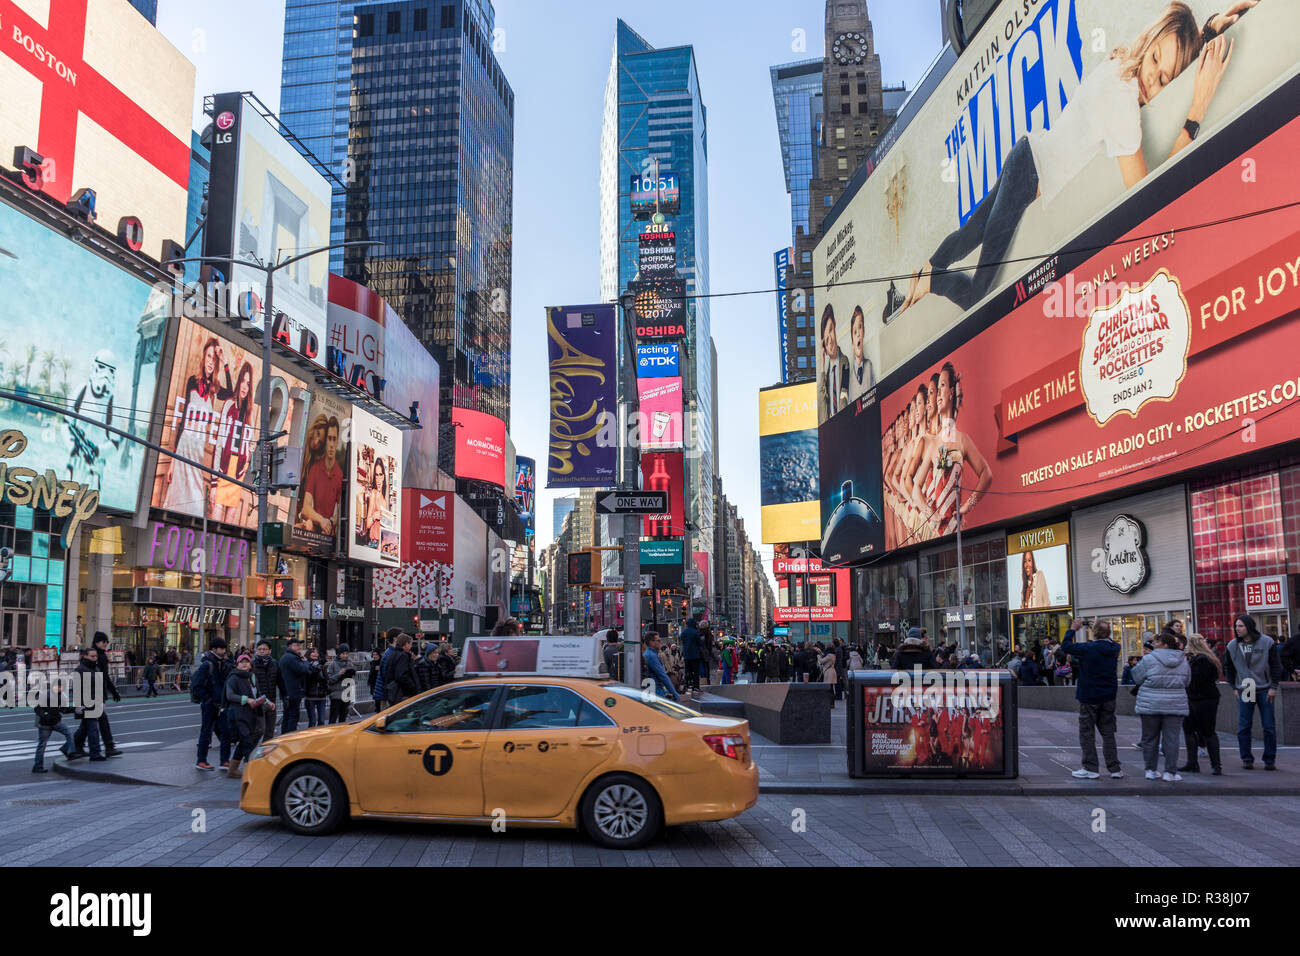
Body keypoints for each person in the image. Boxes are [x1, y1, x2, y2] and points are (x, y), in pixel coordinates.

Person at [897, 2, 1245, 317]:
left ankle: (926, 270)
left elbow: (1168, 55)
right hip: (1029, 173)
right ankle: (932, 282)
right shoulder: (1123, 101)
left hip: (1026, 156)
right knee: (976, 293)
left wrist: (1211, 28)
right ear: (1149, 39)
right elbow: (1145, 197)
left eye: (1163, 79)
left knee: (973, 230)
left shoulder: (1120, 66)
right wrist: (1196, 110)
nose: (1151, 79)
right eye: (1155, 60)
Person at [1057, 619, 1123, 779]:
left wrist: (1073, 629)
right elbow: (1110, 640)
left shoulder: (1088, 648)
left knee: (1087, 732)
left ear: (1094, 633)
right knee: (1108, 732)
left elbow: (1065, 646)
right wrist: (1099, 628)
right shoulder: (1115, 648)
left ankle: (1091, 768)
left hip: (1089, 695)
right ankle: (1115, 769)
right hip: (1108, 695)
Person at [1224, 613, 1285, 770]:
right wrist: (1234, 687)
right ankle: (1247, 758)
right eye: (1236, 626)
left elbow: (1275, 665)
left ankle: (1269, 760)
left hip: (1264, 688)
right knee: (1244, 726)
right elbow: (1228, 668)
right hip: (1245, 688)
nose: (1237, 629)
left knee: (1269, 726)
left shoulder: (1267, 642)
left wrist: (1274, 687)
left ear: (1249, 627)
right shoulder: (1232, 645)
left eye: (1240, 626)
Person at [1132, 632, 1192, 781]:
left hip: (1150, 702)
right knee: (1172, 738)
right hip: (1175, 703)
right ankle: (1170, 772)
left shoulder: (1149, 659)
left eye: (1157, 642)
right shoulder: (1183, 660)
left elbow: (1137, 677)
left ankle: (1150, 770)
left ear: (1165, 644)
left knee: (1149, 738)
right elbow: (1187, 681)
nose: (1154, 644)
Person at [214, 360, 256, 524]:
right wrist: (213, 480)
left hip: (238, 472)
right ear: (239, 382)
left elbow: (250, 443)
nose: (245, 387)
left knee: (228, 525)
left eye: (248, 383)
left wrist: (248, 460)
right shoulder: (229, 404)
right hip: (223, 468)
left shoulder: (249, 413)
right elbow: (219, 442)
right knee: (215, 520)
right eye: (243, 381)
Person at [1179, 633, 1224, 774]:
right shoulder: (1209, 658)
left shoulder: (1200, 660)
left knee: (1199, 731)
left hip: (1199, 699)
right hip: (1205, 698)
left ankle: (1205, 764)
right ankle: (1212, 765)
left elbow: (1195, 679)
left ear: (1192, 645)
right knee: (1204, 731)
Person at [224, 653, 272, 779]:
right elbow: (230, 695)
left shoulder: (252, 677)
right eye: (242, 662)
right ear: (237, 664)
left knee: (246, 740)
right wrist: (246, 699)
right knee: (246, 740)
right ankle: (253, 768)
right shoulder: (233, 678)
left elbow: (258, 694)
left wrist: (267, 702)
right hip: (238, 714)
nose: (245, 664)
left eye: (247, 662)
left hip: (250, 714)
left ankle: (233, 770)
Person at [74, 632, 121, 757]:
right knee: (99, 721)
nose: (105, 644)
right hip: (94, 695)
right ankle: (108, 746)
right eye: (103, 641)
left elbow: (104, 676)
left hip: (96, 693)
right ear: (96, 642)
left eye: (106, 642)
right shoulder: (96, 657)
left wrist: (112, 690)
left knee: (87, 723)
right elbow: (102, 676)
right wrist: (112, 691)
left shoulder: (100, 656)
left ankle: (75, 746)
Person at [296, 415, 344, 535]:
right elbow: (305, 508)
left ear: (338, 441)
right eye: (329, 439)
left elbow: (341, 511)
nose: (317, 441)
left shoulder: (338, 474)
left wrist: (331, 522)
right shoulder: (300, 445)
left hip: (322, 534)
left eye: (334, 439)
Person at [191, 636, 232, 771]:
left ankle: (224, 761)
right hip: (210, 704)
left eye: (224, 648)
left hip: (220, 704)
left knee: (225, 733)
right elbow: (197, 686)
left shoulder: (224, 664)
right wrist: (208, 699)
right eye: (221, 649)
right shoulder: (207, 665)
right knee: (206, 732)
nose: (223, 651)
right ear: (214, 649)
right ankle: (201, 760)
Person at [71, 647, 107, 762]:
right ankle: (95, 753)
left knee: (84, 728)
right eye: (92, 656)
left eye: (96, 656)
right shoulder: (80, 670)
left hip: (95, 702)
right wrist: (79, 705)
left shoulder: (95, 668)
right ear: (84, 656)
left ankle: (71, 748)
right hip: (86, 703)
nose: (95, 658)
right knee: (92, 729)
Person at [818, 305, 850, 421]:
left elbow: (844, 395)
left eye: (831, 330)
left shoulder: (844, 362)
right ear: (824, 347)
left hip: (843, 422)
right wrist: (822, 362)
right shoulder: (826, 376)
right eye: (826, 340)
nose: (830, 340)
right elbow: (821, 404)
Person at [278, 638, 311, 734]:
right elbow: (302, 670)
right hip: (292, 692)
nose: (299, 647)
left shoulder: (288, 657)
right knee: (293, 716)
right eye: (296, 645)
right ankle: (289, 737)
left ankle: (284, 736)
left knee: (287, 715)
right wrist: (305, 662)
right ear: (289, 647)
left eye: (299, 645)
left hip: (288, 692)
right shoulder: (291, 658)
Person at [32, 701, 76, 773]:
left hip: (55, 722)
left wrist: (75, 709)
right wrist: (46, 715)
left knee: (69, 734)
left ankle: (69, 752)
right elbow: (37, 709)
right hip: (45, 725)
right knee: (42, 745)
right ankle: (38, 766)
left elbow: (63, 709)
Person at [251, 640, 279, 743]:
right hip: (258, 701)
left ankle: (265, 755)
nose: (262, 651)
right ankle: (249, 752)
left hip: (271, 700)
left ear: (270, 651)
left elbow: (280, 681)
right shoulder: (252, 664)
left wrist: (285, 696)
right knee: (259, 730)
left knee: (270, 731)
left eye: (264, 649)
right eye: (259, 649)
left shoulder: (275, 664)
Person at [846, 305, 874, 401]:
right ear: (852, 343)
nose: (858, 334)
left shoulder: (869, 366)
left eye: (860, 327)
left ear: (864, 332)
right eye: (854, 332)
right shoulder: (849, 378)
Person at [642, 632, 679, 701]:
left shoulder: (651, 654)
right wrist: (674, 693)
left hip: (654, 689)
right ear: (651, 642)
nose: (660, 642)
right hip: (656, 691)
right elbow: (662, 676)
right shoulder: (651, 656)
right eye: (658, 640)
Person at [382, 633, 417, 706]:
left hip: (392, 691)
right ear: (406, 643)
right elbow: (401, 675)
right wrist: (412, 686)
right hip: (401, 692)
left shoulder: (392, 654)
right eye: (410, 644)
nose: (411, 646)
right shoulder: (403, 655)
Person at [303, 647, 330, 727]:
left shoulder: (322, 665)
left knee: (321, 721)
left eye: (316, 652)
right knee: (312, 721)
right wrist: (314, 668)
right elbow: (307, 677)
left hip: (321, 695)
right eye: (313, 652)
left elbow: (326, 678)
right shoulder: (305, 664)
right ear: (309, 653)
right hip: (310, 695)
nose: (315, 654)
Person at [680, 617, 702, 694]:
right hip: (695, 655)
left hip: (686, 655)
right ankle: (695, 687)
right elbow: (699, 642)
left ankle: (687, 685)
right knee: (696, 672)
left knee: (687, 671)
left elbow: (681, 638)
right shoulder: (695, 632)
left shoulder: (684, 632)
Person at [818, 644, 838, 709]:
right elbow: (824, 656)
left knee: (829, 688)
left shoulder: (829, 655)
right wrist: (821, 653)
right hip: (831, 671)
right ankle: (831, 703)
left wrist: (818, 656)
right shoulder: (833, 655)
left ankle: (830, 703)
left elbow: (822, 661)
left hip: (829, 672)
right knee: (831, 688)